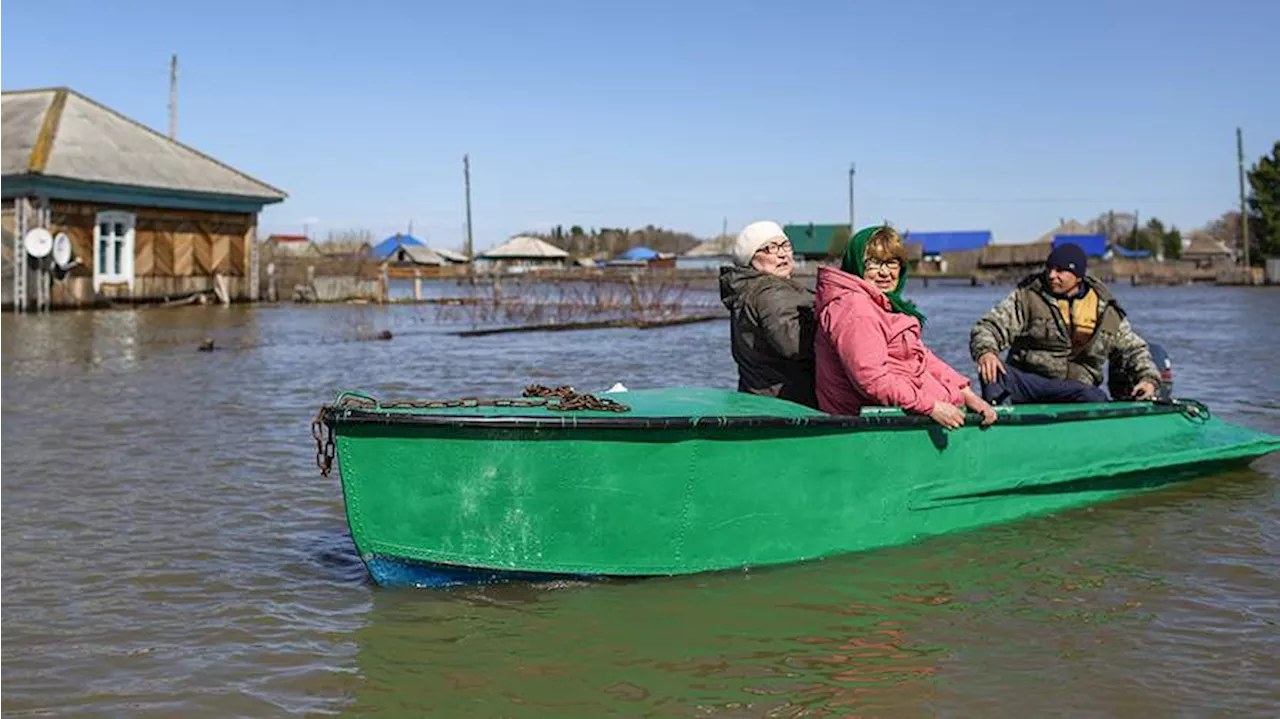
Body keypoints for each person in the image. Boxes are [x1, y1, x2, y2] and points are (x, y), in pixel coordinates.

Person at [814, 225, 997, 428]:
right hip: (862, 426)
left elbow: (922, 357)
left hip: (901, 412)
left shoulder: (884, 305)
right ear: (857, 265)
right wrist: (932, 406)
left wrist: (966, 393)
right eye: (873, 263)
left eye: (891, 263)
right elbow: (872, 379)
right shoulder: (855, 309)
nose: (884, 272)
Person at [969, 242, 1162, 405]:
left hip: (1076, 390)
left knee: (1093, 396)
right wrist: (987, 352)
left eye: (1061, 271)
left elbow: (1134, 350)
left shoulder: (1106, 312)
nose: (1052, 275)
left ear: (1077, 276)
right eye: (1050, 269)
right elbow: (988, 326)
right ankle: (996, 426)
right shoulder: (1027, 298)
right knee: (994, 376)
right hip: (1030, 383)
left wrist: (1148, 379)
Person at [719, 220, 818, 407]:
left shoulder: (746, 289)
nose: (781, 253)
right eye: (768, 249)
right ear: (750, 259)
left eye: (784, 245)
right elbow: (793, 343)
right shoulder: (770, 291)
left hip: (756, 398)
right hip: (788, 403)